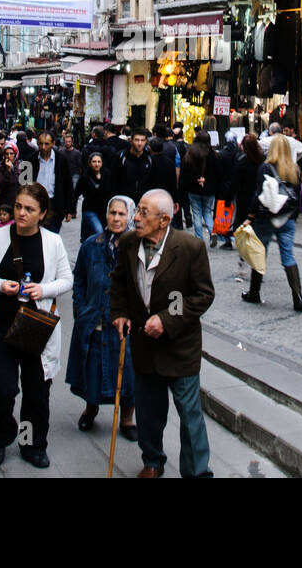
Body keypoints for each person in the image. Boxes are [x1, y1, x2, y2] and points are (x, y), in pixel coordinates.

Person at [110, 190, 216, 478]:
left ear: (164, 220)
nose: (135, 218)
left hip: (179, 348)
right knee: (148, 412)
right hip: (144, 344)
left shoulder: (190, 247)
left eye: (143, 213)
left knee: (189, 414)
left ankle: (197, 472)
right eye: (137, 210)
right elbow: (119, 281)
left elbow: (202, 295)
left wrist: (167, 319)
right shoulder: (129, 243)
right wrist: (119, 312)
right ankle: (153, 461)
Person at [0, 184, 74, 469]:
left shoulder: (53, 242)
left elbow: (67, 279)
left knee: (36, 392)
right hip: (1, 326)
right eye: (18, 206)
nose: (21, 213)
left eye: (29, 209)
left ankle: (32, 444)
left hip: (35, 328)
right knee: (1, 389)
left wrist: (43, 289)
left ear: (42, 214)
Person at [68, 196, 138, 440]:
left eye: (121, 214)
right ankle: (91, 409)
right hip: (94, 317)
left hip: (124, 324)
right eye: (112, 213)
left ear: (130, 216)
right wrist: (80, 308)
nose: (116, 218)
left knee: (128, 372)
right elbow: (79, 279)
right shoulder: (91, 245)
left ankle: (127, 419)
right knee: (93, 367)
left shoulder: (137, 247)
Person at [243, 135, 302, 310]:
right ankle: (298, 296)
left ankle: (254, 292)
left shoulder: (265, 167)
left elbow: (259, 194)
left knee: (260, 253)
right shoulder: (294, 169)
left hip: (266, 217)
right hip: (287, 217)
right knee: (288, 255)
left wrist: (251, 214)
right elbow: (297, 195)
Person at [179, 132, 221, 248]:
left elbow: (185, 172)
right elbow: (218, 173)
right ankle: (212, 231)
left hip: (194, 189)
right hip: (209, 189)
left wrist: (194, 180)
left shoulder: (190, 154)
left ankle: (199, 239)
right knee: (207, 212)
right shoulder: (213, 155)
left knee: (197, 214)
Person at [35, 132, 75, 233]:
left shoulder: (62, 160)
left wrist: (70, 209)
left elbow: (68, 185)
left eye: (46, 144)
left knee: (52, 234)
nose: (43, 147)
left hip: (55, 205)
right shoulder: (30, 159)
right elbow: (23, 184)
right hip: (35, 204)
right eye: (40, 144)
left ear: (53, 143)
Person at [231, 134, 265, 238]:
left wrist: (229, 197)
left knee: (243, 223)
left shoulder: (242, 162)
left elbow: (235, 182)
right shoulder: (262, 160)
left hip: (244, 198)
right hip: (260, 197)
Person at [74, 151, 113, 240]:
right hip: (90, 209)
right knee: (99, 232)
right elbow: (76, 194)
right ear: (89, 163)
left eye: (99, 161)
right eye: (94, 161)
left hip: (104, 210)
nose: (96, 164)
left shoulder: (107, 174)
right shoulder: (84, 177)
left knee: (104, 233)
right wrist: (71, 209)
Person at [0, 145, 23, 227]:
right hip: (4, 199)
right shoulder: (0, 166)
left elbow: (20, 182)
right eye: (6, 154)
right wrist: (8, 171)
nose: (9, 156)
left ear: (15, 154)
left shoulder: (20, 166)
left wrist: (12, 169)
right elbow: (0, 183)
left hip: (16, 199)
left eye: (11, 154)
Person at [119, 129, 154, 204]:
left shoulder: (149, 158)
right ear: (131, 140)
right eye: (137, 140)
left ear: (146, 141)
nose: (139, 143)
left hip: (143, 199)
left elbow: (151, 181)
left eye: (142, 140)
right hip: (125, 199)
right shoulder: (122, 157)